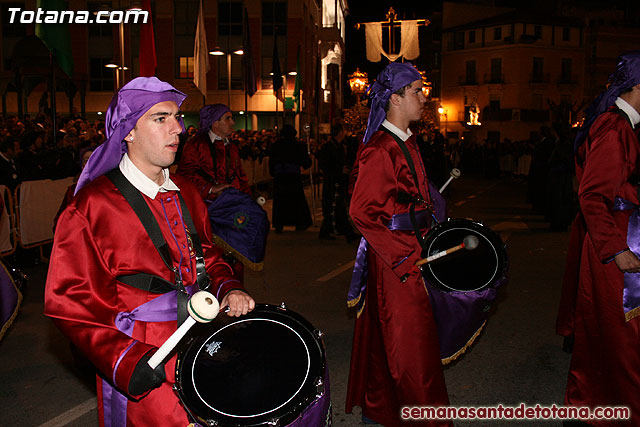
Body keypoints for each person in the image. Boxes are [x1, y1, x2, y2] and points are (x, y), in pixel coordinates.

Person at [44, 77, 255, 427]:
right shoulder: (91, 206)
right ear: (128, 131)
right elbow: (69, 299)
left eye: (177, 117)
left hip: (201, 339)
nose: (178, 128)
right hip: (142, 350)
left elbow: (206, 256)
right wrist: (123, 359)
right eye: (161, 118)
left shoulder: (185, 190)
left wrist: (227, 287)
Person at [345, 62, 451, 426]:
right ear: (394, 98)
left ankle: (384, 411)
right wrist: (404, 257)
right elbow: (361, 212)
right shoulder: (380, 150)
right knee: (411, 348)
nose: (424, 98)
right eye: (417, 92)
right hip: (398, 261)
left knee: (394, 342)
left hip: (412, 252)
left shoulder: (406, 142)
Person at [556, 51, 640, 426]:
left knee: (610, 332)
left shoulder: (624, 125)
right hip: (617, 240)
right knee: (621, 335)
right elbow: (592, 194)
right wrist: (616, 248)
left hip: (621, 234)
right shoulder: (615, 126)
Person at [176, 103, 251, 199]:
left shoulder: (232, 147)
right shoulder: (196, 145)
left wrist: (247, 198)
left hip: (232, 203)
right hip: (206, 205)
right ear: (215, 123)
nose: (233, 122)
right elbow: (184, 176)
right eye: (228, 118)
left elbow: (241, 177)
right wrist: (210, 188)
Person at [269, 124, 313, 233]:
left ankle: (279, 224)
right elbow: (306, 162)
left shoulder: (276, 145)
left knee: (280, 202)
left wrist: (273, 172)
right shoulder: (298, 145)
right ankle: (299, 223)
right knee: (296, 201)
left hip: (280, 177)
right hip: (293, 176)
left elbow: (272, 161)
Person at [318, 123, 358, 242]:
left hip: (339, 180)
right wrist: (339, 169)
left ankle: (344, 231)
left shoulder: (340, 146)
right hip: (332, 181)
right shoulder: (328, 147)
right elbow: (325, 165)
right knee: (333, 206)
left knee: (338, 206)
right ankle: (342, 231)